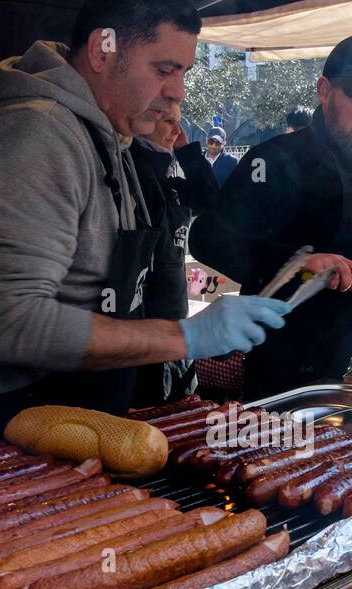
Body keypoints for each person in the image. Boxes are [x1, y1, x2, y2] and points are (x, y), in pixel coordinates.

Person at [0, 0, 289, 456]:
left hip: (70, 426)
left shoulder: (110, 138)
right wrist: (185, 337)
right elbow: (11, 326)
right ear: (102, 51)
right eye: (165, 69)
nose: (178, 92)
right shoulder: (33, 133)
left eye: (183, 72)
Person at [188, 33, 352, 399]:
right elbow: (208, 238)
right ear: (325, 90)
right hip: (290, 379)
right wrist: (299, 263)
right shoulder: (275, 161)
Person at [129, 102, 220, 403]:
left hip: (175, 319)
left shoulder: (169, 179)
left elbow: (210, 200)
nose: (176, 130)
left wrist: (186, 151)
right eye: (168, 121)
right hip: (143, 328)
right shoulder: (131, 174)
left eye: (178, 122)